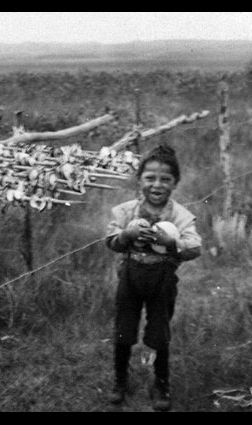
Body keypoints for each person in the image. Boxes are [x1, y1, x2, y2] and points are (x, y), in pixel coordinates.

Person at [105, 144, 202, 411]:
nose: (157, 185)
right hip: (130, 277)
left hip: (162, 281)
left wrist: (172, 243)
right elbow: (111, 241)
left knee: (159, 332)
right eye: (150, 178)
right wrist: (127, 234)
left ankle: (161, 382)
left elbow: (195, 247)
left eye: (165, 179)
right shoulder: (125, 212)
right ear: (139, 180)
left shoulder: (181, 215)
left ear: (175, 183)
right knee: (124, 330)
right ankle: (120, 381)